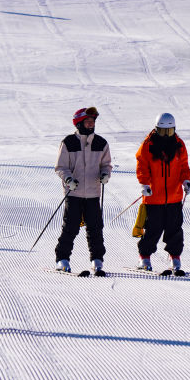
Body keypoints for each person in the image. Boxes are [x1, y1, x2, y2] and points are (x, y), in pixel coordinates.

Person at [54, 107, 112, 276]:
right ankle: (62, 259)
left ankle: (97, 260)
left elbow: (106, 165)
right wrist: (68, 179)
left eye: (93, 121)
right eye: (87, 121)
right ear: (78, 123)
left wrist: (105, 174)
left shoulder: (101, 143)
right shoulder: (68, 142)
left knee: (95, 228)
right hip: (74, 193)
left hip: (93, 193)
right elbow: (61, 166)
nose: (91, 124)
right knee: (70, 228)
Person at [135, 112, 190, 276]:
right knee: (153, 229)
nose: (166, 136)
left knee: (174, 229)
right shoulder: (148, 145)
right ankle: (144, 257)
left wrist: (186, 181)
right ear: (156, 130)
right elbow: (142, 166)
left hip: (174, 197)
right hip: (153, 197)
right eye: (163, 132)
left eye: (170, 132)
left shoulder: (179, 145)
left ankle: (175, 257)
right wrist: (144, 184)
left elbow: (184, 167)